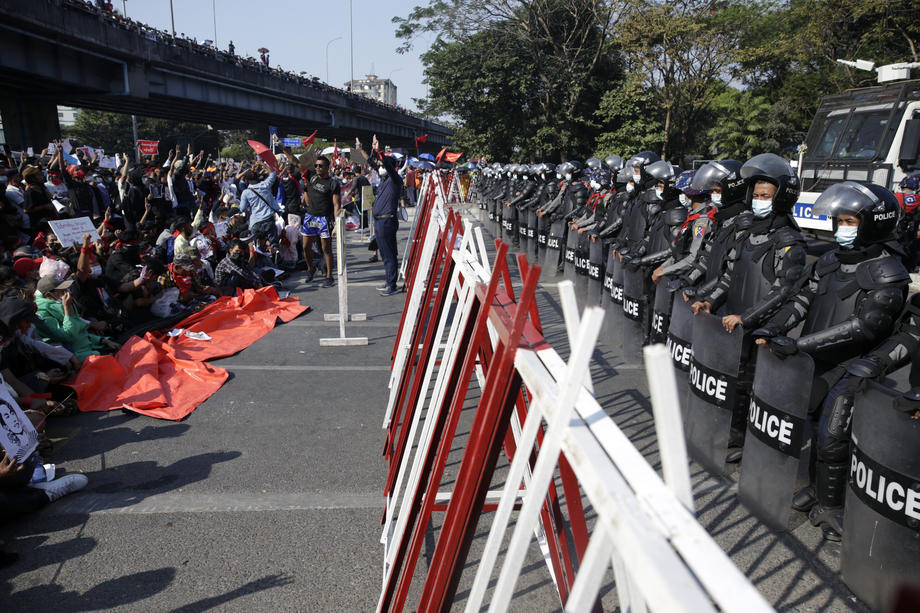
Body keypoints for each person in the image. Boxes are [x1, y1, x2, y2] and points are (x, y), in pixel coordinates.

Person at [752, 181, 909, 540]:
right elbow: (802, 299)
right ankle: (816, 490)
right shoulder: (830, 260)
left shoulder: (887, 271)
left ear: (873, 223)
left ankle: (832, 506)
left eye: (850, 221)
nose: (841, 228)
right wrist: (774, 329)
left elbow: (865, 327)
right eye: (839, 221)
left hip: (854, 365)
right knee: (814, 423)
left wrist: (799, 344)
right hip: (817, 361)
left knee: (833, 437)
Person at [362, 135, 403, 296]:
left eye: (382, 165)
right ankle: (389, 281)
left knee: (389, 254)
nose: (379, 168)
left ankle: (392, 285)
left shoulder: (395, 179)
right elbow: (372, 163)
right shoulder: (384, 179)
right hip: (380, 221)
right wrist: (363, 149)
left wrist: (380, 152)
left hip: (387, 221)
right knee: (385, 254)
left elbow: (387, 165)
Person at [300, 155, 341, 288]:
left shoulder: (333, 183)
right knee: (306, 247)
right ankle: (310, 269)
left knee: (326, 249)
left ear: (327, 168)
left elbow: (336, 204)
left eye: (320, 166)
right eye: (316, 165)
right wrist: (282, 147)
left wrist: (336, 223)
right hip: (310, 217)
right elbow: (296, 163)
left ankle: (329, 276)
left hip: (324, 219)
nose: (317, 168)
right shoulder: (312, 177)